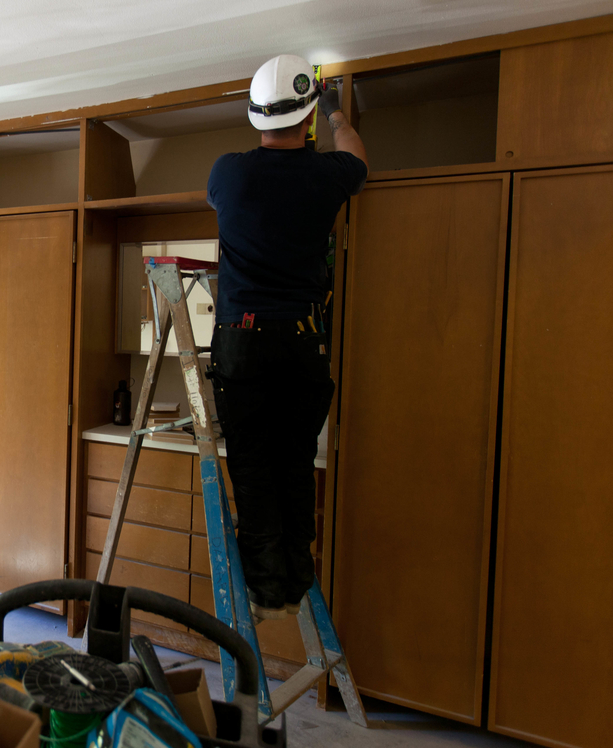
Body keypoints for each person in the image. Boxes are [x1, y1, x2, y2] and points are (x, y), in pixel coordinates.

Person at [206, 55, 368, 620]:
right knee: (296, 461)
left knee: (251, 464)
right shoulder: (327, 175)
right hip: (303, 340)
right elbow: (355, 154)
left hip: (242, 340)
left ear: (255, 116)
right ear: (308, 119)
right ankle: (297, 580)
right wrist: (337, 111)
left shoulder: (228, 172)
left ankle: (265, 589)